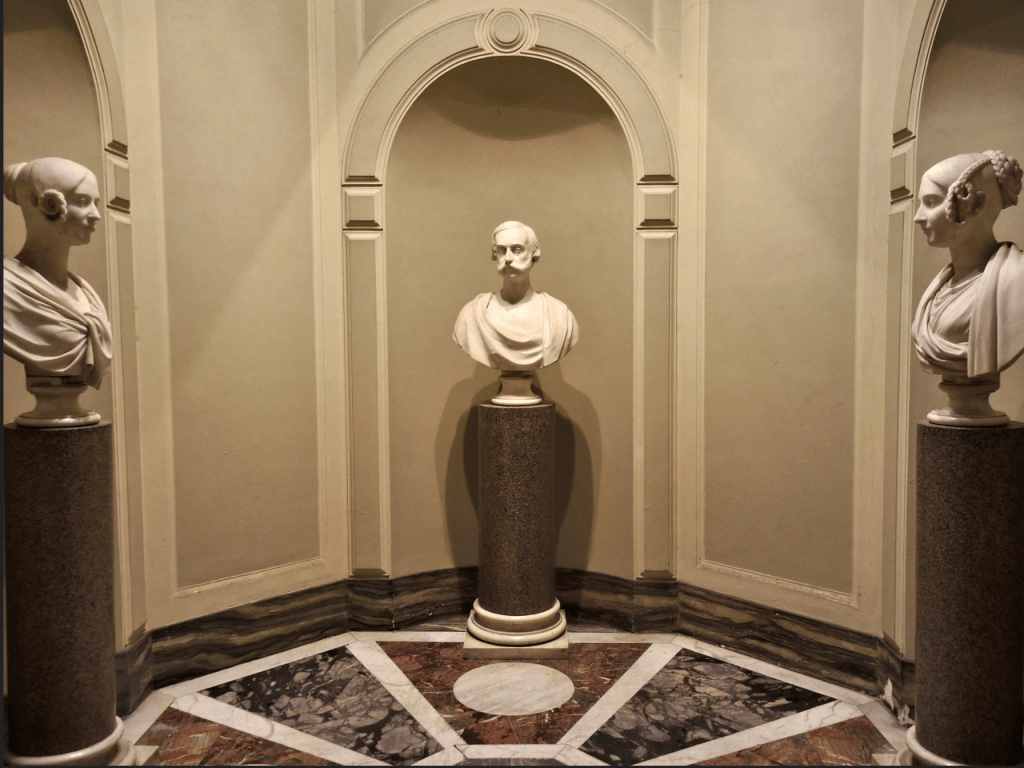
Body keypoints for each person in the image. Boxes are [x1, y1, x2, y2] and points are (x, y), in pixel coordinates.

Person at [911, 149, 1023, 424]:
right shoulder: (936, 291)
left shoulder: (1017, 281)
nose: (918, 217)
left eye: (931, 202)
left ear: (975, 203)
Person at [3, 157, 112, 390]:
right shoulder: (7, 290)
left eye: (95, 203)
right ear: (44, 203)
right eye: (82, 201)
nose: (96, 215)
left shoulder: (85, 293)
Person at [453, 221, 578, 371]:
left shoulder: (560, 317)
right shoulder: (471, 316)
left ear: (533, 254)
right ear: (495, 255)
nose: (508, 258)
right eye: (501, 251)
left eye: (517, 250)